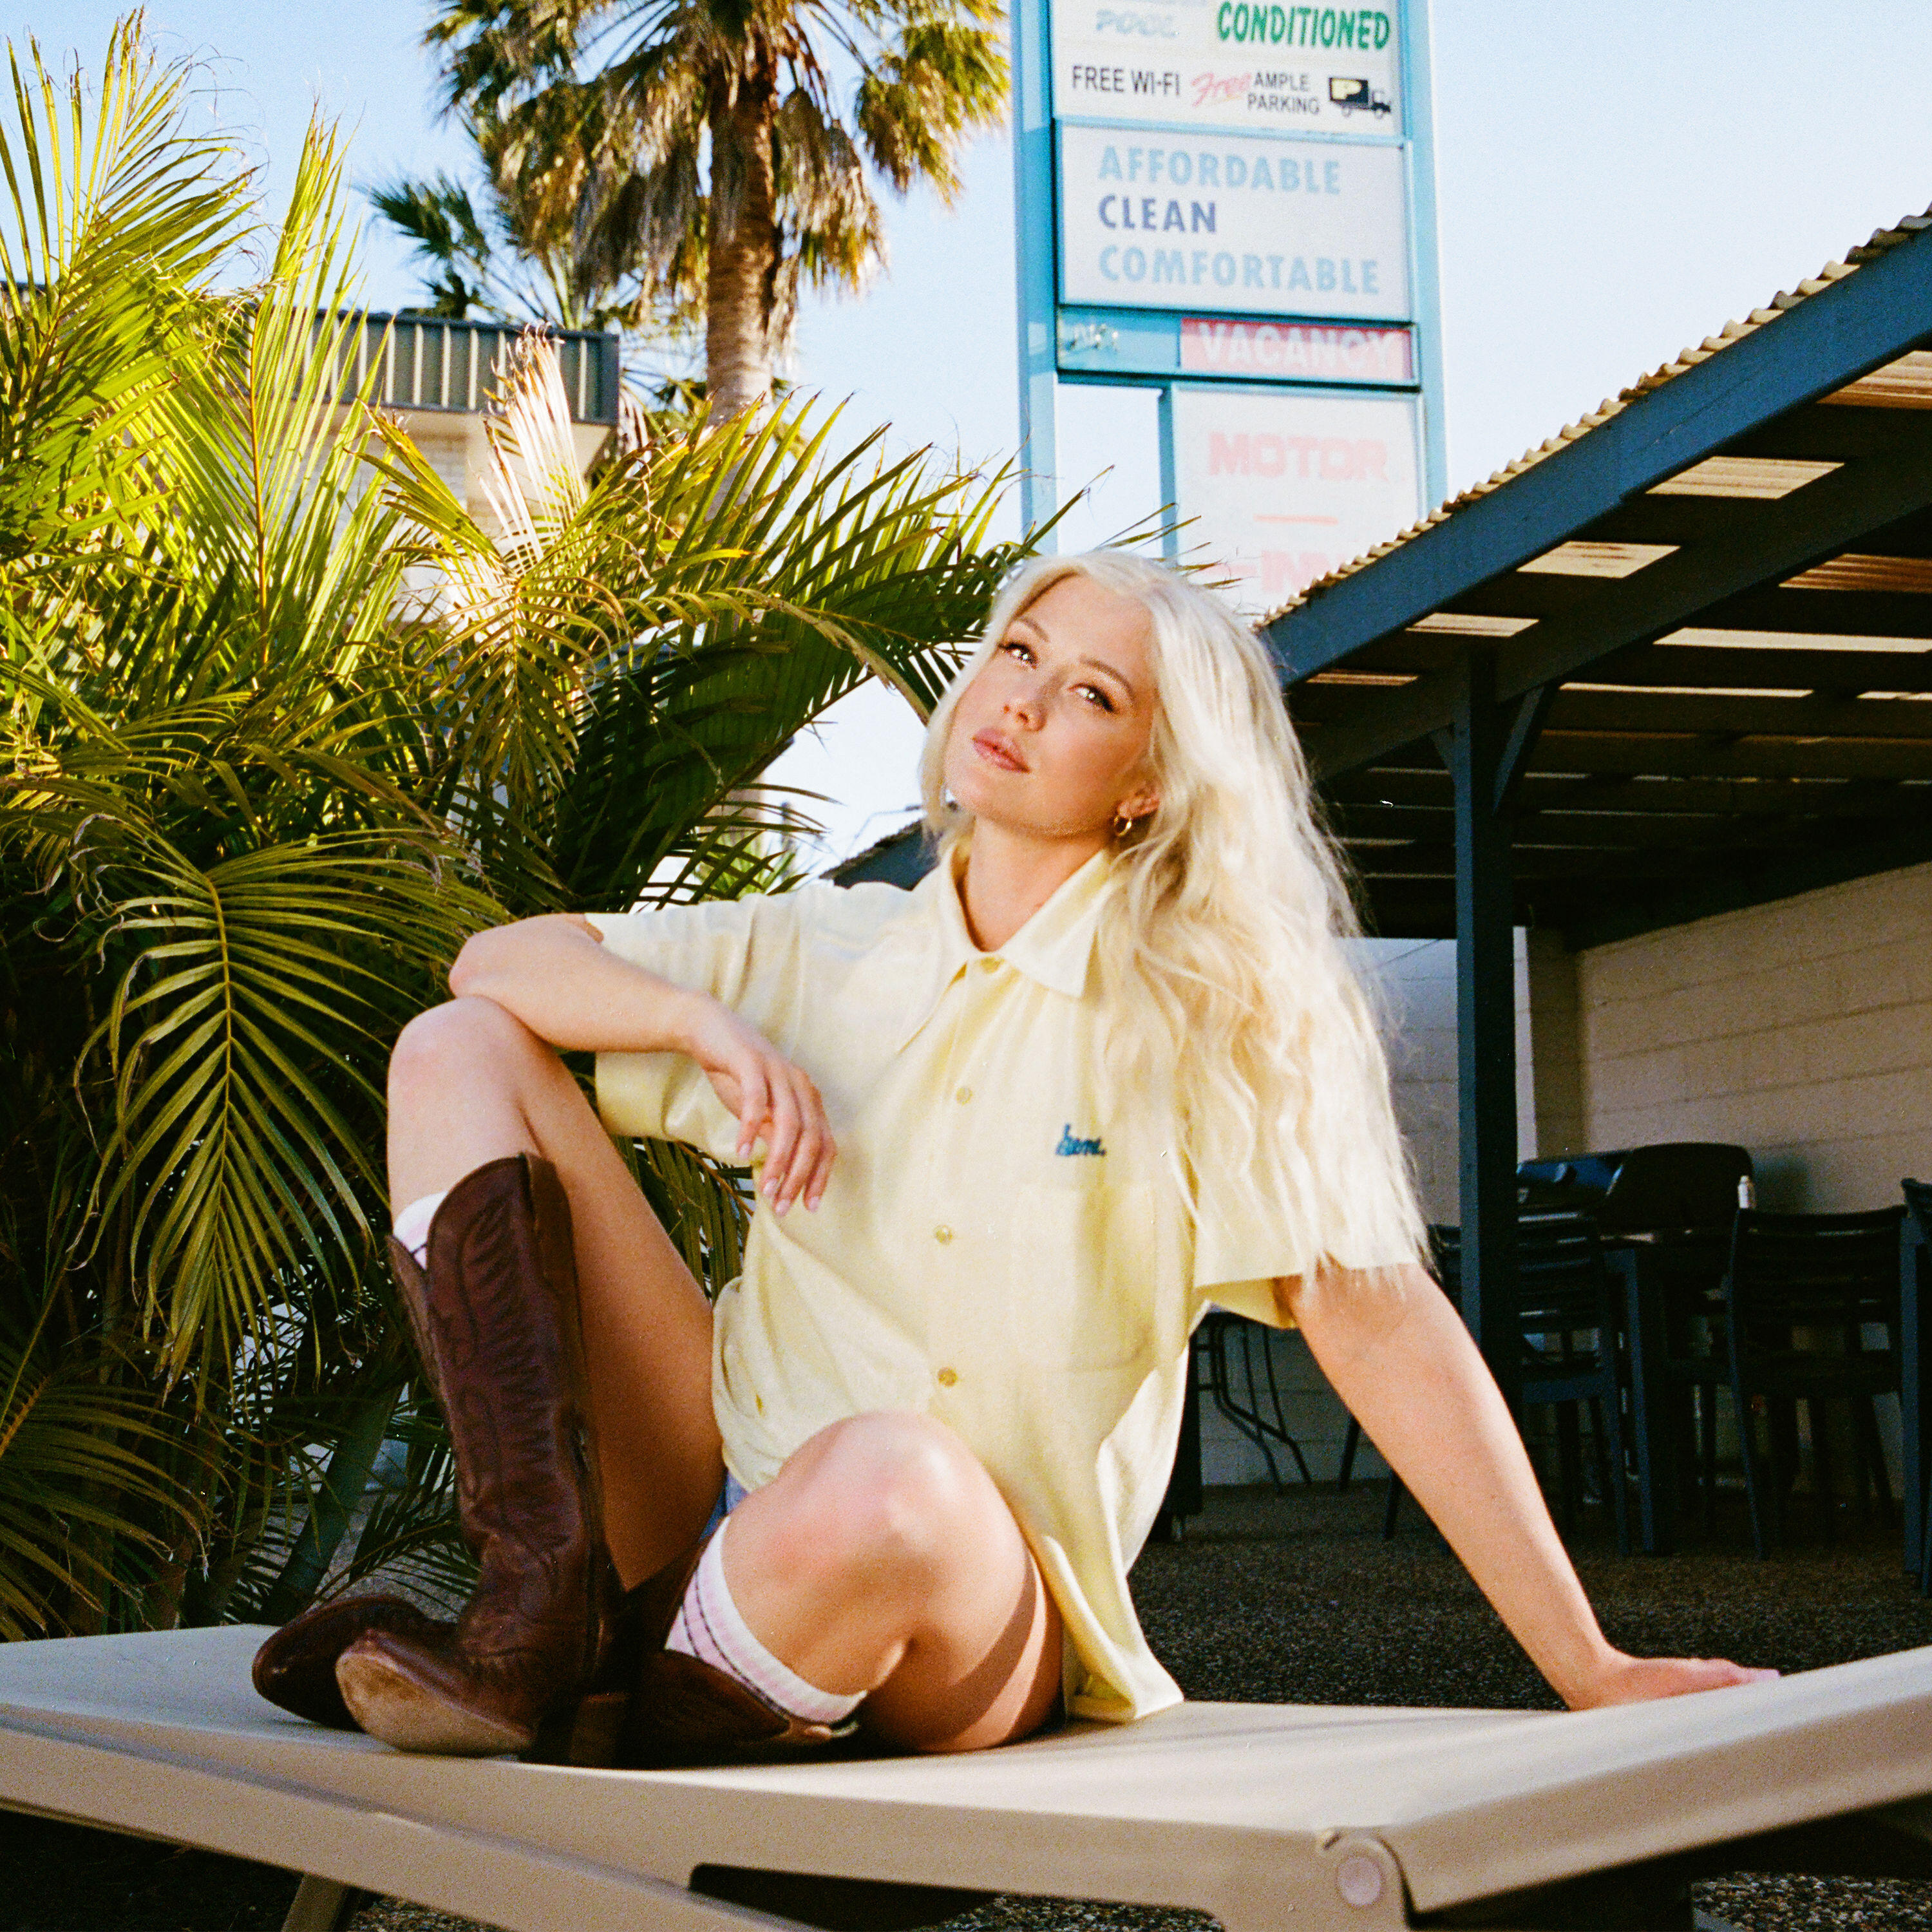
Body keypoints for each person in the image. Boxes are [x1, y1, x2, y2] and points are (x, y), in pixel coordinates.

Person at [253, 551, 1772, 1761]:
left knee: (889, 1477)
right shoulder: (831, 946)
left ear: (1151, 782)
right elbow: (495, 965)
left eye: (1091, 693)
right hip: (710, 1496)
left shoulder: (1213, 1017)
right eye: (1019, 653)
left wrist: (1591, 1664)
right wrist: (697, 1025)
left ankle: (589, 1693)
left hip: (964, 1599)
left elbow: (1379, 1323)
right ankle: (538, 1614)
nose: (1024, 701)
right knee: (457, 1047)